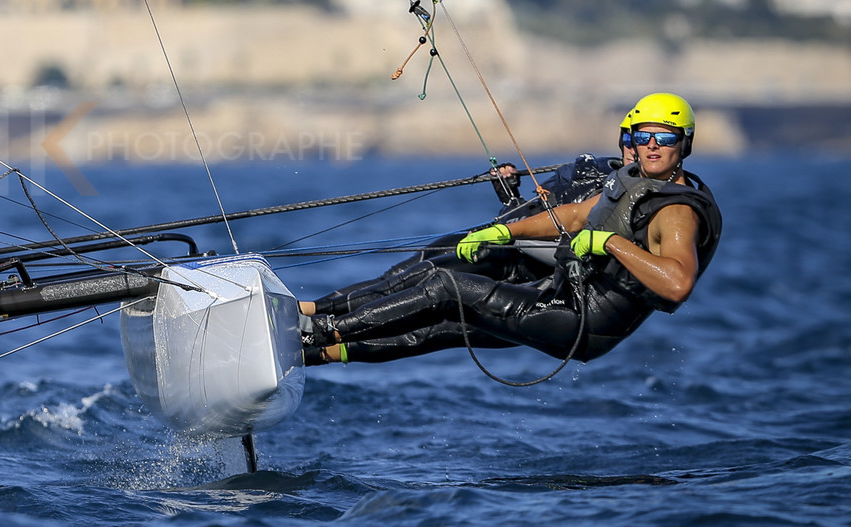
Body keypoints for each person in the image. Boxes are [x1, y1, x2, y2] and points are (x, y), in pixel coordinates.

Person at [301, 93, 721, 367]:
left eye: (663, 138)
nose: (649, 145)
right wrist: (502, 231)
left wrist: (610, 242)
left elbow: (678, 282)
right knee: (447, 324)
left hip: (582, 322)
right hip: (560, 296)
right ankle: (317, 352)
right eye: (642, 136)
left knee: (448, 287)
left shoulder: (677, 211)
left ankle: (319, 328)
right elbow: (574, 216)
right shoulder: (633, 183)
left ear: (684, 144)